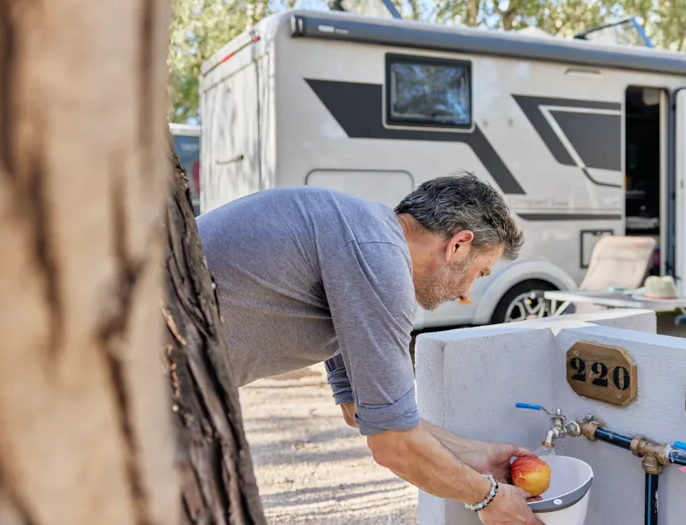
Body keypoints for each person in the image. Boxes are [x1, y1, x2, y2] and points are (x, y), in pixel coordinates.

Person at [196, 172, 543, 524]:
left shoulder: (360, 234)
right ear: (459, 245)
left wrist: (477, 455)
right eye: (479, 273)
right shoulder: (379, 262)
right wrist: (490, 498)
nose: (467, 293)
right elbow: (394, 445)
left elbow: (359, 409)